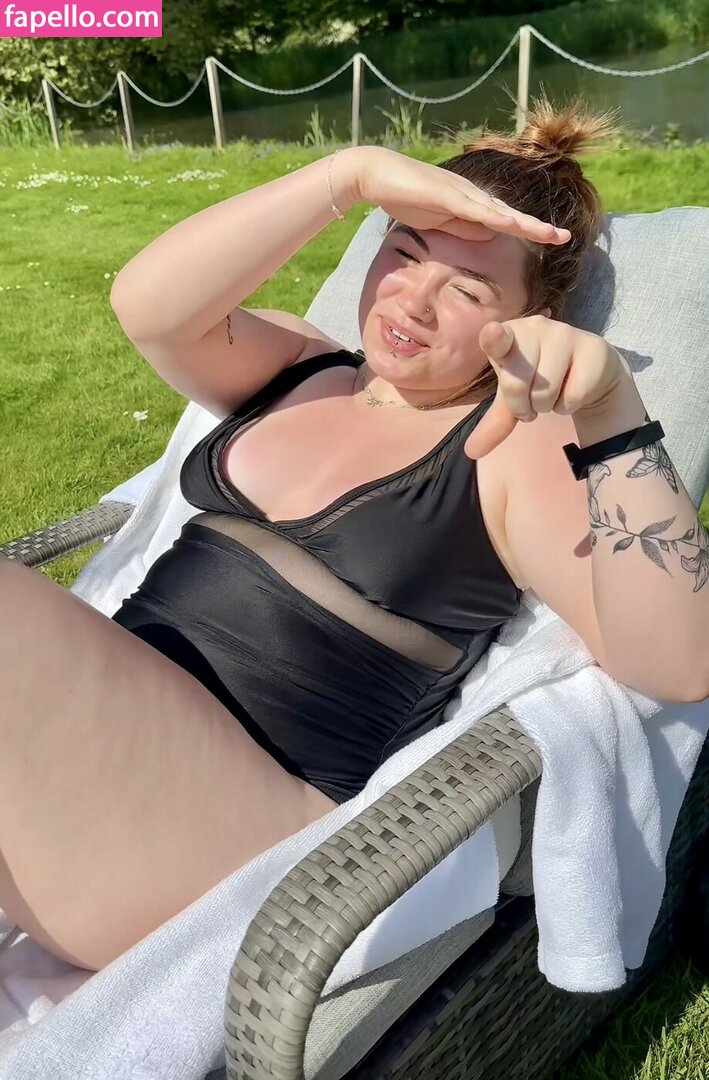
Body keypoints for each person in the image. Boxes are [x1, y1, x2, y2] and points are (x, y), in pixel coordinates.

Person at [2, 96, 707, 974]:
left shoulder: (507, 447)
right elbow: (147, 305)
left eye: (468, 289)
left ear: (533, 319)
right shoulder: (304, 366)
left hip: (228, 835)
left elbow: (677, 664)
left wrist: (611, 412)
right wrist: (347, 175)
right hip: (84, 769)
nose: (412, 300)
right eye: (402, 254)